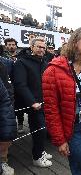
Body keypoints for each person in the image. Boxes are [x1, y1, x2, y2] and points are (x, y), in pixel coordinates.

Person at [42, 27, 81, 175]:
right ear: (76, 42)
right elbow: (51, 110)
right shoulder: (54, 70)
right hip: (75, 128)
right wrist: (60, 140)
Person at [13, 37, 52, 167]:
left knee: (43, 130)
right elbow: (20, 85)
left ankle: (40, 150)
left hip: (45, 102)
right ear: (32, 47)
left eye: (43, 47)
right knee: (39, 129)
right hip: (33, 104)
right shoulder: (21, 62)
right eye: (39, 47)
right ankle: (37, 157)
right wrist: (32, 102)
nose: (42, 49)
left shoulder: (44, 62)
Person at [0, 62, 16, 175]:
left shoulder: (2, 65)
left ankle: (3, 162)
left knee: (4, 138)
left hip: (4, 111)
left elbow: (6, 96)